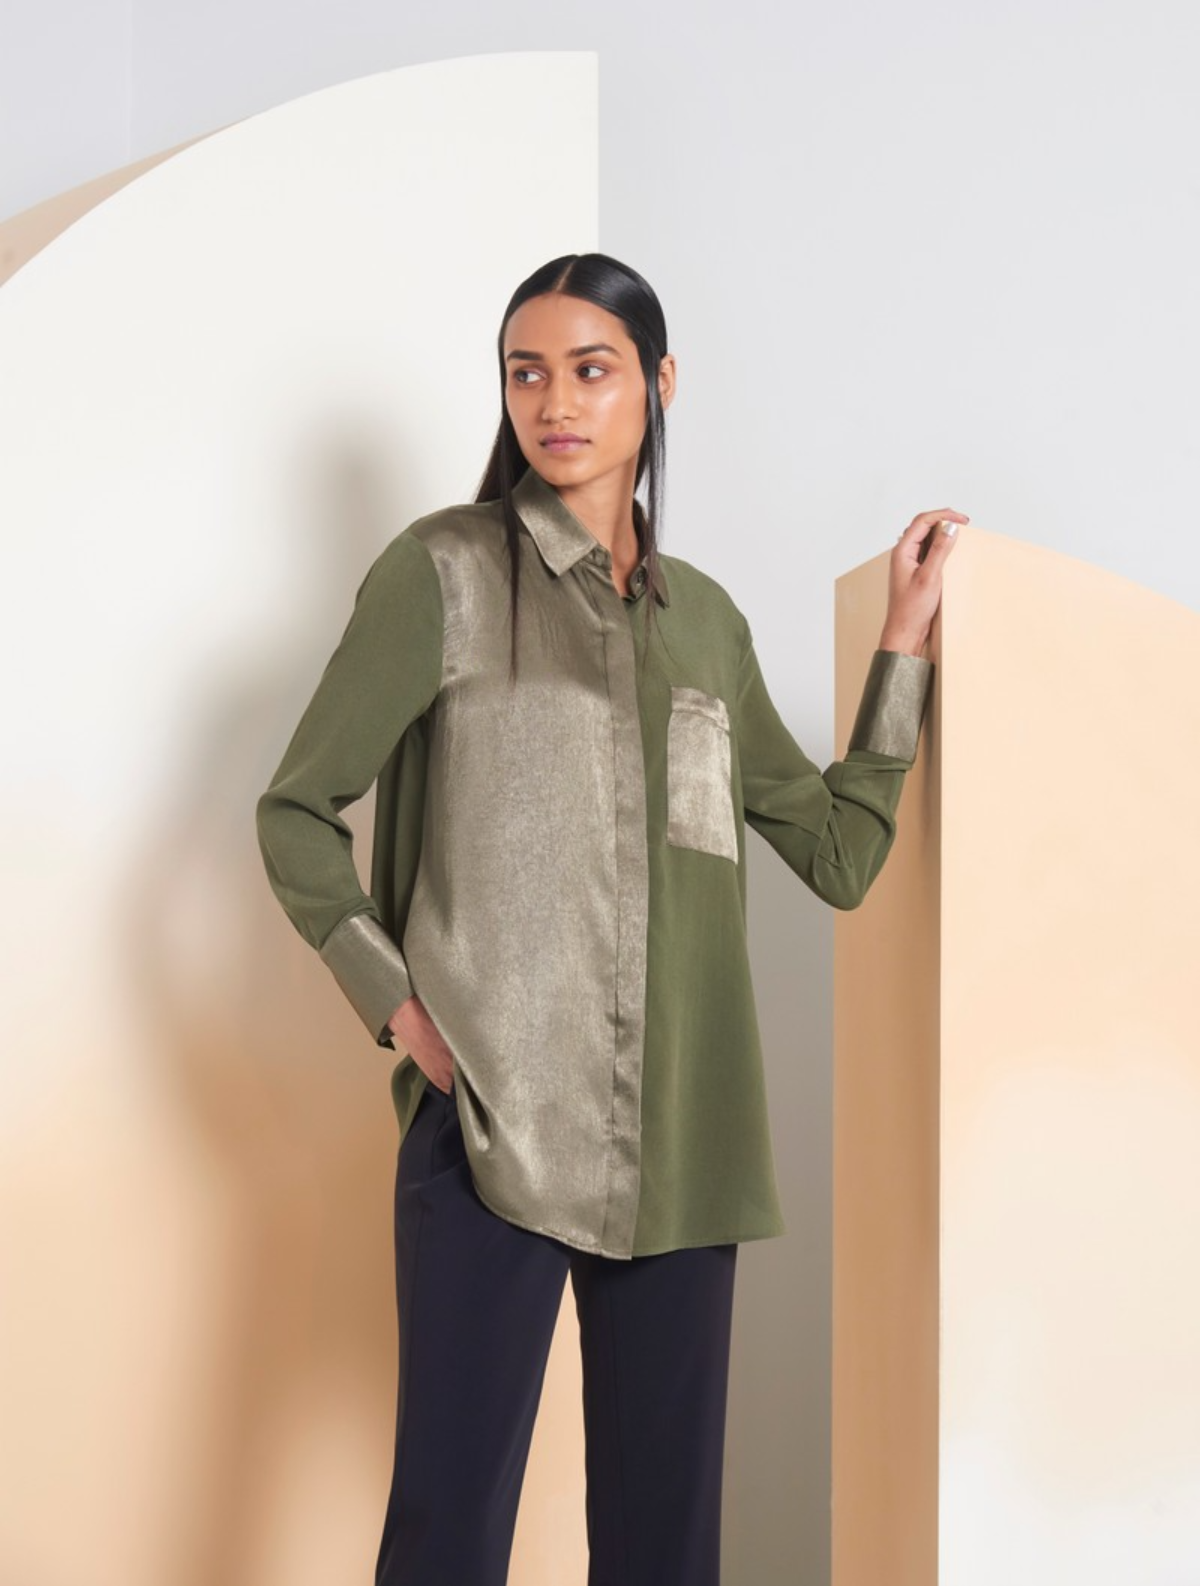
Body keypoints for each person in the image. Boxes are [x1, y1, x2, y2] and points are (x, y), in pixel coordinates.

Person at [255, 251, 962, 1586]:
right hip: (492, 1131)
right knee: (449, 1537)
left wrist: (904, 648)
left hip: (682, 1137)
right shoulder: (445, 574)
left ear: (660, 384)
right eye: (527, 372)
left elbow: (837, 853)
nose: (556, 402)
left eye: (591, 369)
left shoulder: (707, 628)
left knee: (664, 1551)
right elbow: (294, 809)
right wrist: (400, 1009)